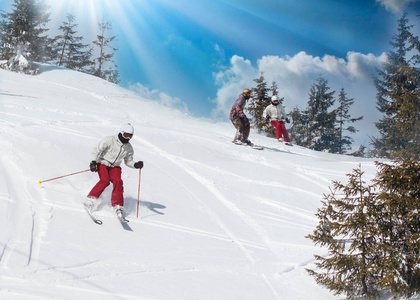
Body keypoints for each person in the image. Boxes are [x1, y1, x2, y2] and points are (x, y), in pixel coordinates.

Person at [85, 123, 144, 218]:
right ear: (121, 132)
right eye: (126, 135)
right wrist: (93, 162)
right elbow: (96, 150)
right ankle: (91, 200)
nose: (128, 138)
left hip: (115, 167)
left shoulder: (128, 148)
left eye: (130, 136)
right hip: (103, 163)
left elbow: (128, 161)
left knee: (118, 181)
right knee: (105, 180)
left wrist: (135, 165)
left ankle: (118, 205)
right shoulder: (109, 140)